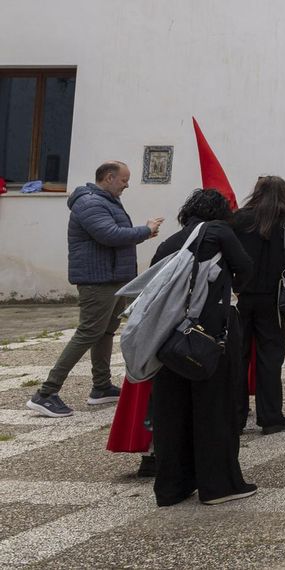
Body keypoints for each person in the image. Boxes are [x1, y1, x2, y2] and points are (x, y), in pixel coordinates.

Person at [27, 161, 163, 419]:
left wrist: (142, 232)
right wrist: (145, 230)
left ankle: (101, 387)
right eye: (124, 180)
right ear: (109, 178)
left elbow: (114, 234)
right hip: (97, 280)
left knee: (105, 332)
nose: (127, 185)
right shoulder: (90, 202)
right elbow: (109, 234)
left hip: (112, 277)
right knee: (88, 332)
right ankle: (46, 393)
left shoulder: (105, 200)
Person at [147, 188, 255, 505]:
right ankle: (219, 485)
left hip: (168, 335)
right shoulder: (219, 231)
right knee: (215, 407)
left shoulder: (170, 242)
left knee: (172, 411)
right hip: (210, 333)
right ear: (220, 212)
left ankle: (172, 487)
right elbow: (245, 269)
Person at [231, 175, 285, 434]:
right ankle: (271, 416)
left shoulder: (239, 219)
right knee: (270, 359)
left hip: (241, 297)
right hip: (273, 300)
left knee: (237, 358)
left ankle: (236, 416)